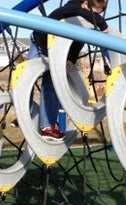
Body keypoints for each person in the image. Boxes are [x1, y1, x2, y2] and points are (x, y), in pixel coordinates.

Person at [24, 0, 108, 141]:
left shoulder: (83, 17)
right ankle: (25, 113)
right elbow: (70, 11)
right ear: (86, 4)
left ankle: (47, 127)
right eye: (94, 13)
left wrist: (72, 58)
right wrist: (100, 22)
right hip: (40, 43)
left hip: (56, 52)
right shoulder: (72, 6)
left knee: (50, 86)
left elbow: (79, 40)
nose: (92, 17)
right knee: (26, 80)